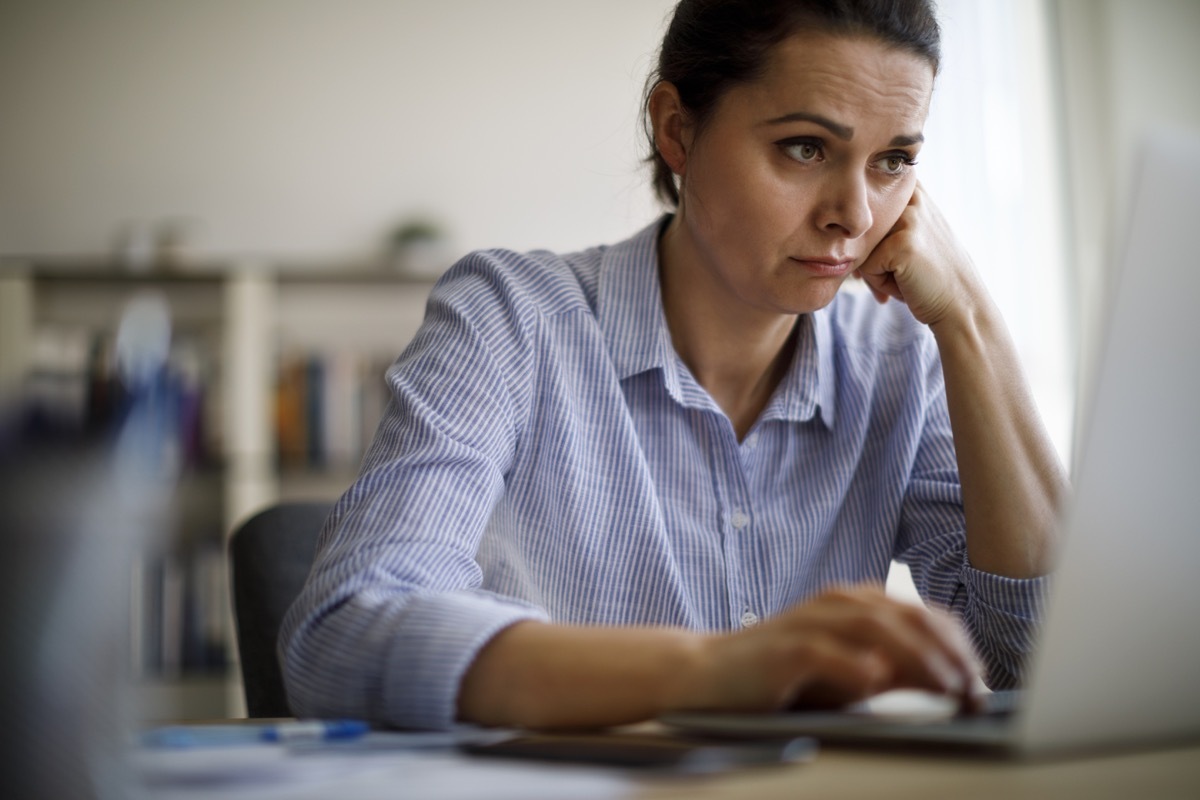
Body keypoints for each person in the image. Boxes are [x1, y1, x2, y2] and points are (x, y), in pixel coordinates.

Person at [280, 0, 1068, 731]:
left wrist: (970, 321)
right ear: (677, 130)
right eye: (805, 148)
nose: (855, 215)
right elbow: (342, 631)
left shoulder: (899, 360)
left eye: (893, 161)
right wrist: (714, 669)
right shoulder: (512, 319)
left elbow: (1037, 660)